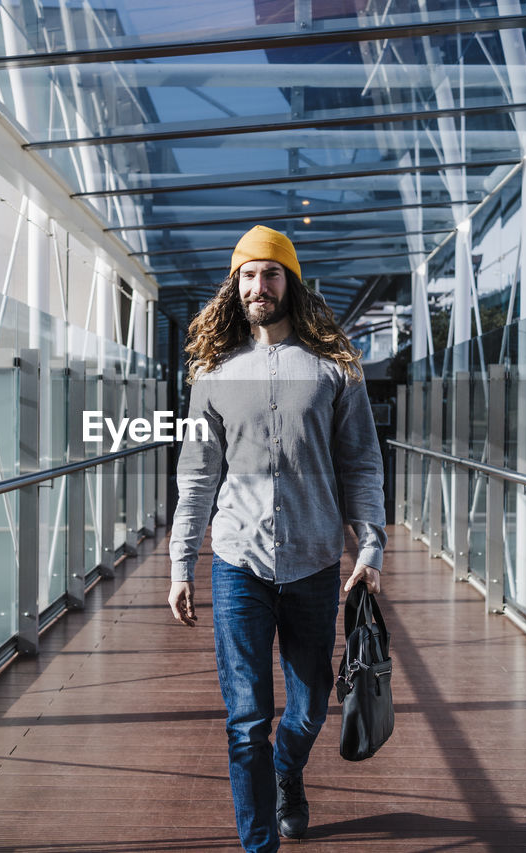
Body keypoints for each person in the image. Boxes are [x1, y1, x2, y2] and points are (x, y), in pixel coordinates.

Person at [167, 225, 387, 853]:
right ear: (234, 286)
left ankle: (287, 770)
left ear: (290, 281)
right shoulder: (213, 371)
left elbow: (362, 465)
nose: (258, 286)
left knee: (312, 705)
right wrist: (183, 562)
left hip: (316, 561)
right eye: (247, 275)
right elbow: (197, 476)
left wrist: (369, 548)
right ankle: (258, 842)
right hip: (238, 562)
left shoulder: (335, 366)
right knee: (245, 723)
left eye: (270, 273)